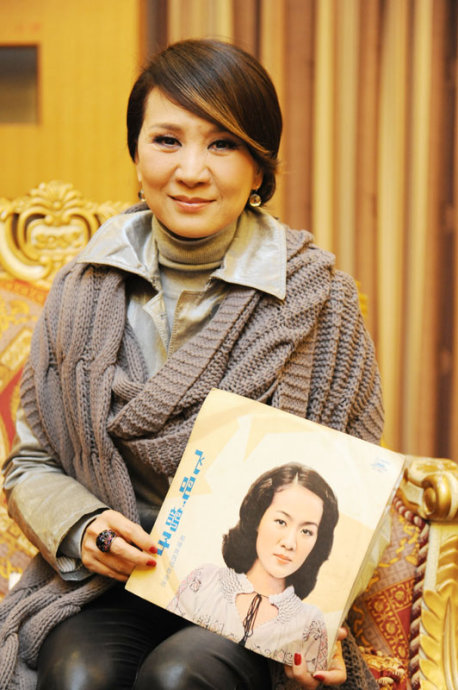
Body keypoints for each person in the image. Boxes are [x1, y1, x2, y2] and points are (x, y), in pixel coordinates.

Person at [0, 38, 383, 690]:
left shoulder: (320, 301)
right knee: (76, 675)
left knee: (179, 677)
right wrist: (83, 528)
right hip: (109, 585)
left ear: (259, 169)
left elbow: (356, 490)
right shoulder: (78, 293)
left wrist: (315, 617)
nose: (192, 170)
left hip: (253, 597)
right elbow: (30, 463)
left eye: (223, 144)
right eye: (167, 140)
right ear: (137, 153)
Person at [167, 464, 338, 674]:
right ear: (258, 519)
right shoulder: (204, 581)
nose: (290, 543)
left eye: (306, 531)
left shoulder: (310, 623)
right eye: (281, 521)